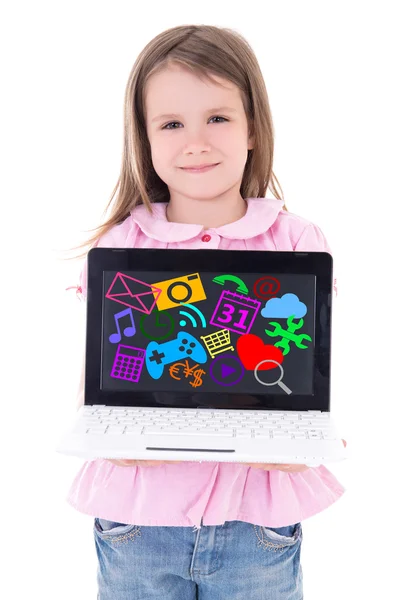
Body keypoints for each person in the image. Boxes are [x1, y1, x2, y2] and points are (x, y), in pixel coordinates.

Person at [66, 24, 347, 600]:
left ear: (252, 129)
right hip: (137, 521)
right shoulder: (124, 244)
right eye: (171, 124)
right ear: (144, 140)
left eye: (217, 117)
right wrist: (100, 425)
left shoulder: (295, 239)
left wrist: (307, 436)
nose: (195, 142)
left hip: (256, 525)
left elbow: (305, 358)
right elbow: (99, 366)